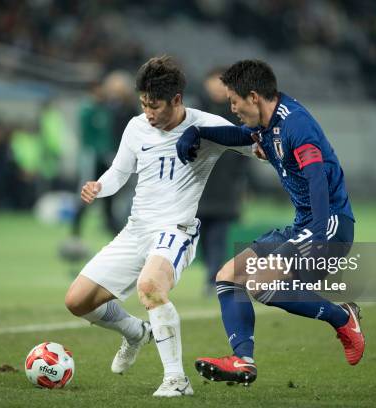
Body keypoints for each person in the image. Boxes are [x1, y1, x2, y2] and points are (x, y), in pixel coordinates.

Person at [64, 56, 252, 397]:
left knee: (150, 286)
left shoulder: (206, 125)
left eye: (155, 106)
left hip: (176, 230)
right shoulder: (137, 127)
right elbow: (120, 173)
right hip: (136, 230)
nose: (148, 113)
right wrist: (98, 187)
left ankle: (176, 380)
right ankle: (136, 333)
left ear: (177, 100)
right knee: (77, 301)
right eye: (143, 104)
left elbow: (256, 145)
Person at [176, 59, 365, 385]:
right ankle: (242, 361)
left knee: (262, 283)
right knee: (228, 277)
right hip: (301, 224)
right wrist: (198, 133)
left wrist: (319, 236)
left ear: (253, 96)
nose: (231, 107)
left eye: (233, 101)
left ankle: (343, 317)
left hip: (329, 224)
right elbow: (239, 136)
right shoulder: (266, 121)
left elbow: (317, 178)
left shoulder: (296, 126)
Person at [196, 67, 247, 296]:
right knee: (202, 237)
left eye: (221, 83)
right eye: (213, 81)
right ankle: (211, 272)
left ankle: (213, 278)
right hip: (198, 186)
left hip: (225, 186)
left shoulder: (237, 114)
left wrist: (243, 183)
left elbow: (246, 152)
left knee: (218, 235)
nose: (217, 87)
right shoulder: (194, 111)